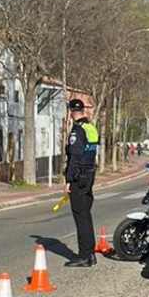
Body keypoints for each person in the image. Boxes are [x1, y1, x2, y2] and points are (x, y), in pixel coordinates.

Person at [64, 98, 100, 267]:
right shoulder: (91, 127)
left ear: (71, 111)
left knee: (80, 216)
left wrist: (69, 180)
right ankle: (90, 253)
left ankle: (84, 255)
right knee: (86, 214)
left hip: (78, 178)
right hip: (89, 175)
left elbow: (75, 157)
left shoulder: (77, 131)